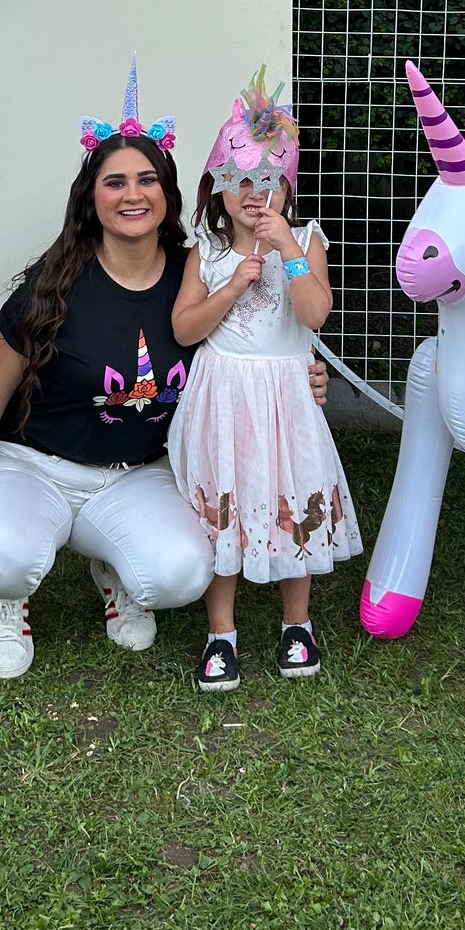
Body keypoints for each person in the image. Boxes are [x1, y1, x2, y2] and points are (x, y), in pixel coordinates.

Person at [0, 60, 330, 680]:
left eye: (147, 180)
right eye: (115, 182)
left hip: (136, 475)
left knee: (182, 573)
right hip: (36, 464)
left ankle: (113, 564)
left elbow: (250, 349)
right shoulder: (53, 286)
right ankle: (6, 599)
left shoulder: (198, 271)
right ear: (91, 196)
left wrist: (303, 378)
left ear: (169, 192)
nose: (133, 194)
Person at [168, 70, 361, 692]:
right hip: (223, 396)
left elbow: (314, 314)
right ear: (217, 185)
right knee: (226, 499)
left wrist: (289, 254)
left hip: (285, 397)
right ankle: (221, 631)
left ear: (287, 186)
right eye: (240, 181)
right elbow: (183, 328)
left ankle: (295, 623)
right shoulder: (208, 247)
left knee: (288, 493)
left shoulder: (305, 239)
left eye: (268, 182)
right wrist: (232, 285)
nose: (254, 195)